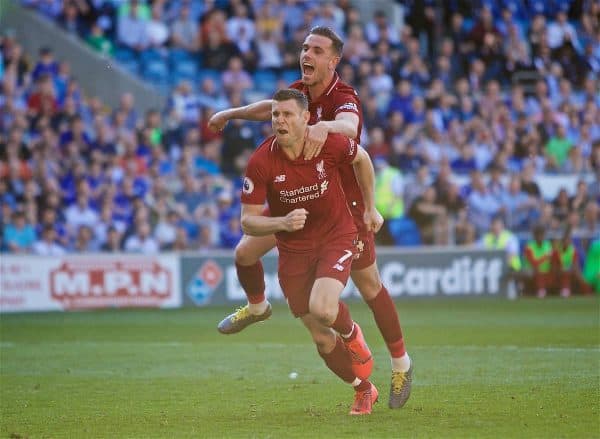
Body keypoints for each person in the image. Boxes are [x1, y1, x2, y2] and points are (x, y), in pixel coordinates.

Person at [209, 26, 412, 409]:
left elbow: (351, 130)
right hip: (300, 204)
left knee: (369, 285)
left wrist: (323, 128)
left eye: (317, 50)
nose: (307, 54)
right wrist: (231, 114)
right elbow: (270, 107)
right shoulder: (297, 95)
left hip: (342, 205)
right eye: (304, 47)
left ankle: (401, 363)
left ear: (333, 61)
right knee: (245, 253)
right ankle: (257, 307)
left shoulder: (343, 97)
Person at [241, 89, 378, 414]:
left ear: (306, 118)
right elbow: (247, 223)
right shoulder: (261, 161)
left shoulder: (326, 143)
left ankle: (352, 332)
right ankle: (363, 389)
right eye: (275, 115)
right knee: (319, 337)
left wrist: (371, 209)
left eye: (287, 114)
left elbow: (363, 158)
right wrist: (283, 222)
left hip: (336, 235)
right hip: (294, 248)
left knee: (323, 307)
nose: (280, 121)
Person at [523, 224, 553, 298]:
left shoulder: (548, 245)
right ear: (534, 236)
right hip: (532, 270)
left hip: (547, 270)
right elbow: (533, 263)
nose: (540, 237)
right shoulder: (529, 247)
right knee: (538, 272)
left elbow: (553, 260)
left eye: (542, 235)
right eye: (538, 235)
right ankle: (541, 290)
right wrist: (546, 256)